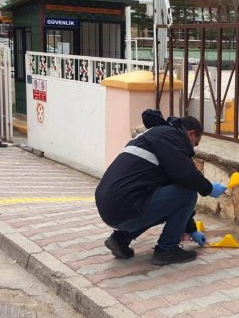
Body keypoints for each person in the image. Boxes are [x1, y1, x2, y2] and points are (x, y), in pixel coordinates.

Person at [95, 111, 227, 266]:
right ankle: (167, 250)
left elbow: (173, 197)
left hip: (110, 206)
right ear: (191, 134)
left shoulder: (157, 135)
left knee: (159, 201)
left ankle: (120, 239)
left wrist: (191, 230)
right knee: (190, 193)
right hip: (125, 205)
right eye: (195, 143)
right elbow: (186, 176)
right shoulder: (170, 137)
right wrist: (209, 189)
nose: (193, 149)